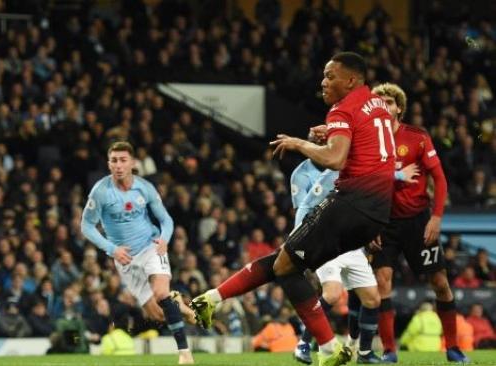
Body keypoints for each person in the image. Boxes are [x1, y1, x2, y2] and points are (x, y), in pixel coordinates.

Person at [191, 52, 395, 366]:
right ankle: (212, 298)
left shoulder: (341, 109)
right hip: (379, 211)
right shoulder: (378, 105)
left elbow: (334, 159)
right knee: (285, 262)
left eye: (330, 76)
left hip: (351, 203)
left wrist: (300, 143)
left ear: (351, 80)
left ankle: (326, 350)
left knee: (286, 269)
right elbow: (370, 144)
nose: (323, 82)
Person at [370, 83, 469, 363]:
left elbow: (439, 178)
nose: (383, 106)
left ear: (398, 107)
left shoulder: (417, 137)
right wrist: (369, 226)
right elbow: (362, 185)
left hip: (418, 221)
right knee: (382, 282)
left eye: (388, 101)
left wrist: (436, 217)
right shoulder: (367, 141)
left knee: (440, 282)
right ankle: (389, 351)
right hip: (383, 222)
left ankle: (452, 347)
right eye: (378, 102)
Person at [81, 141, 195, 364]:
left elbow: (166, 220)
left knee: (161, 293)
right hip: (124, 259)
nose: (118, 165)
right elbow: (85, 226)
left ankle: (184, 353)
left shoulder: (145, 188)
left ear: (133, 163)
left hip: (150, 246)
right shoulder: (101, 192)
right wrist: (112, 249)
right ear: (108, 164)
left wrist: (164, 239)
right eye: (114, 161)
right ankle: (178, 303)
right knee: (157, 314)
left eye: (123, 160)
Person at [290, 159, 384, 364]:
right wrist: (300, 241)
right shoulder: (332, 175)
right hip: (328, 243)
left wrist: (370, 235)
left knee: (373, 299)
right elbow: (305, 205)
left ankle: (365, 353)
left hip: (353, 247)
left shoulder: (366, 178)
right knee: (331, 294)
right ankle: (303, 345)